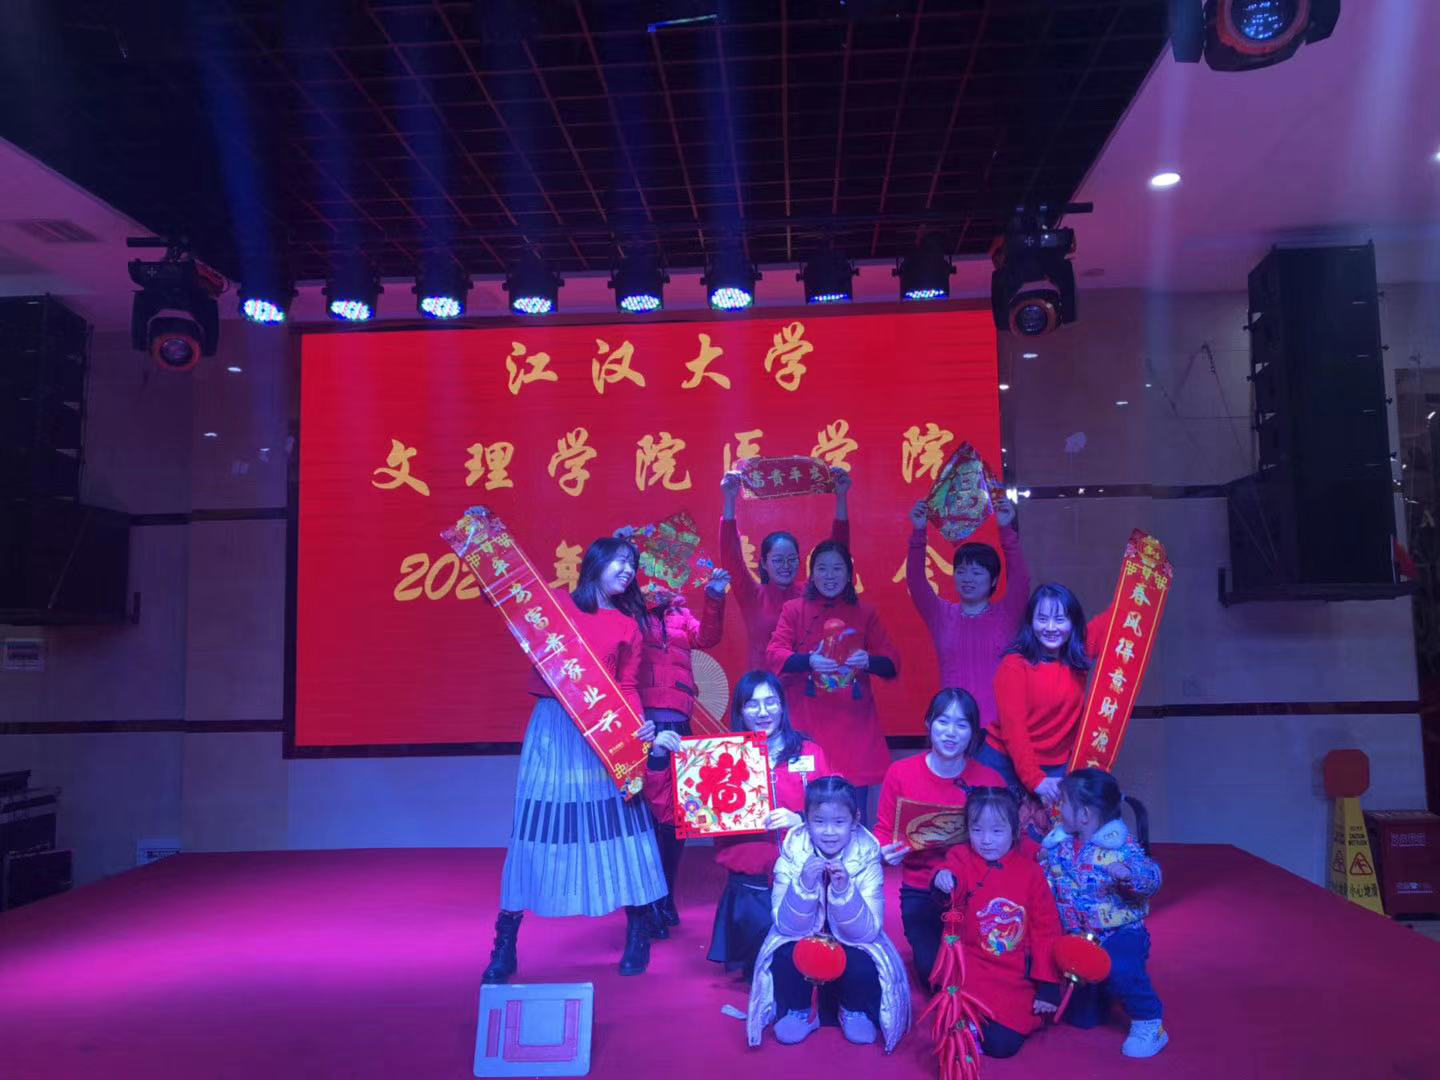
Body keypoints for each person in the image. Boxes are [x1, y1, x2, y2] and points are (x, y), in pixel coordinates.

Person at [480, 537, 665, 984]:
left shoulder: (628, 625)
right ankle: (505, 942)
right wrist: (484, 546)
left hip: (605, 732)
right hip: (554, 726)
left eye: (633, 564)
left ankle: (638, 929)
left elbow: (626, 686)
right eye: (620, 561)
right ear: (595, 563)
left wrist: (635, 733)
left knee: (622, 824)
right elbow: (502, 597)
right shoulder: (557, 606)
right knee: (536, 828)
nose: (628, 570)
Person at [643, 671, 831, 978]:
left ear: (782, 706)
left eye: (771, 702)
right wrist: (659, 756)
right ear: (740, 711)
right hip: (750, 891)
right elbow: (668, 812)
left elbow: (836, 808)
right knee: (764, 977)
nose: (763, 712)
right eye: (752, 704)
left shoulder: (809, 752)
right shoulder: (717, 757)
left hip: (804, 882)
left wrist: (802, 820)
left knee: (809, 973)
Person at [746, 776, 911, 1052]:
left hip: (851, 940)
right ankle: (801, 1010)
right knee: (785, 953)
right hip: (803, 937)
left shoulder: (867, 856)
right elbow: (786, 926)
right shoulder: (792, 854)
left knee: (864, 958)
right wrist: (804, 885)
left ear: (855, 821)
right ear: (806, 822)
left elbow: (868, 931)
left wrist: (845, 891)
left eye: (839, 822)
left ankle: (853, 1009)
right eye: (819, 822)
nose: (829, 832)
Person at [627, 554, 731, 935]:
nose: (661, 580)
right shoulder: (632, 615)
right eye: (652, 573)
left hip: (680, 723)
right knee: (644, 817)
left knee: (675, 818)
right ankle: (645, 903)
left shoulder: (681, 615)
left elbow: (708, 638)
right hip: (643, 726)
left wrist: (715, 595)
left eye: (668, 572)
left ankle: (666, 895)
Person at [873, 689, 1006, 983]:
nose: (951, 733)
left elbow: (1006, 840)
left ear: (973, 732)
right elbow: (883, 830)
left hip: (975, 887)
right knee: (935, 975)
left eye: (961, 724)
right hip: (920, 888)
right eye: (943, 722)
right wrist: (884, 851)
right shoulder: (900, 772)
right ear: (928, 723)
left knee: (981, 973)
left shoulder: (990, 780)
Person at [1039, 768, 1167, 1059]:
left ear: (1084, 814)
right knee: (1081, 1018)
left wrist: (1130, 876)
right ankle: (1103, 993)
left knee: (1121, 968)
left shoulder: (1121, 846)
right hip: (1079, 940)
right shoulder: (1058, 846)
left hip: (1120, 934)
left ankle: (1149, 1021)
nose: (1059, 809)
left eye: (1064, 803)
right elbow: (1047, 881)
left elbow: (1152, 876)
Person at [765, 540, 899, 812]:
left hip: (853, 726)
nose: (829, 575)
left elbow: (891, 664)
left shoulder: (865, 612)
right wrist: (809, 660)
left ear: (849, 574)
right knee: (802, 806)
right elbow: (774, 653)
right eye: (822, 568)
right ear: (812, 574)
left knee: (850, 811)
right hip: (807, 721)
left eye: (837, 568)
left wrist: (868, 661)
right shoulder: (794, 609)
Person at [931, 787, 1064, 1060]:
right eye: (977, 830)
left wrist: (1048, 985)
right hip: (969, 966)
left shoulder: (1030, 872)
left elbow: (1046, 930)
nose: (986, 840)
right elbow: (949, 873)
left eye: (997, 831)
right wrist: (943, 879)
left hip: (1012, 972)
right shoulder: (961, 856)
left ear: (1015, 831)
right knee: (953, 1021)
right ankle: (965, 1022)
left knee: (1002, 1045)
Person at [984, 583, 1111, 823]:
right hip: (1006, 762)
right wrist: (1035, 779)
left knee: (1055, 838)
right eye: (1042, 619)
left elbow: (1116, 618)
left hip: (1056, 764)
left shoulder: (1078, 653)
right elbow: (1014, 731)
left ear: (1073, 622)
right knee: (1002, 835)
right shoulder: (1014, 666)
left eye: (1060, 619)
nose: (1051, 628)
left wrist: (1144, 573)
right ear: (1030, 622)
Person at [905, 497, 1028, 733]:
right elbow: (916, 582)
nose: (967, 579)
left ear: (993, 580)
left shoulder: (1007, 614)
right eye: (961, 572)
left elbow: (1021, 580)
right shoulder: (941, 615)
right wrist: (919, 532)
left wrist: (1006, 529)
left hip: (999, 730)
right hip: (953, 729)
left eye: (976, 573)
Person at [719, 467, 852, 672]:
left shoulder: (810, 592)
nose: (786, 566)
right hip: (765, 685)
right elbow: (732, 557)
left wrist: (841, 497)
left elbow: (837, 553)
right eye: (778, 560)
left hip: (805, 684)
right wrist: (729, 499)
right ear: (764, 563)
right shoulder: (752, 595)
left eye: (791, 559)